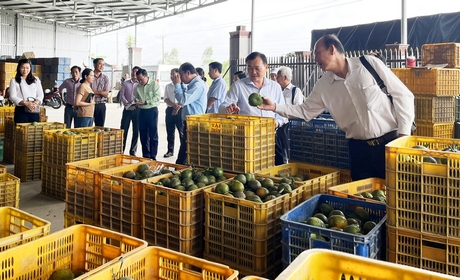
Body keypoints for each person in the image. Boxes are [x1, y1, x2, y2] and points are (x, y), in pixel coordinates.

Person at [258, 34, 415, 181]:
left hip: (391, 144)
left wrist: (403, 136)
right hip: (359, 151)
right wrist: (274, 107)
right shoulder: (323, 85)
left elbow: (403, 95)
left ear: (332, 49)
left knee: (397, 194)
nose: (315, 59)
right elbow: (305, 111)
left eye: (318, 53)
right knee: (362, 199)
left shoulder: (368, 64)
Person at [218, 52, 288, 165]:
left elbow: (282, 112)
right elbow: (222, 106)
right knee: (247, 169)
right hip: (245, 137)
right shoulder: (238, 86)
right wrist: (228, 108)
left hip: (269, 136)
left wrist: (277, 123)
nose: (253, 72)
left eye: (257, 68)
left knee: (276, 167)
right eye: (249, 68)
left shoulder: (275, 87)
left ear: (266, 67)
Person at [173, 62, 207, 165]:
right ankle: (180, 167)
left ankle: (179, 168)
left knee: (187, 148)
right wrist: (181, 85)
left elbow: (183, 99)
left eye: (181, 75)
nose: (180, 78)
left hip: (195, 123)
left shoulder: (198, 85)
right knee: (186, 147)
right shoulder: (193, 84)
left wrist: (177, 85)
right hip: (190, 121)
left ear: (188, 73)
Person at [275, 66, 305, 163]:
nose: (276, 78)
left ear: (285, 77)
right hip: (277, 123)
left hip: (288, 125)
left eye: (278, 76)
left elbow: (298, 108)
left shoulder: (295, 91)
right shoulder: (277, 90)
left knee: (286, 149)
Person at [135, 68, 161, 160]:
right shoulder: (138, 86)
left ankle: (153, 156)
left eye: (141, 79)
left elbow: (157, 98)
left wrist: (146, 101)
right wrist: (136, 101)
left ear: (147, 77)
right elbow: (136, 96)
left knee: (153, 134)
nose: (140, 82)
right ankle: (146, 155)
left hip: (152, 111)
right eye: (138, 80)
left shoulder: (154, 84)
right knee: (143, 135)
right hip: (142, 112)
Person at [8, 58, 44, 123]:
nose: (25, 70)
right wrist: (25, 103)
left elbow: (40, 94)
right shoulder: (14, 81)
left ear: (30, 68)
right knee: (21, 131)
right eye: (23, 68)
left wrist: (35, 103)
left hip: (34, 109)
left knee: (33, 131)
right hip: (21, 110)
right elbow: (12, 96)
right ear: (19, 68)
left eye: (27, 68)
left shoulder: (36, 80)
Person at [119, 66, 141, 156]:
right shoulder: (126, 83)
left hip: (137, 110)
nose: (134, 73)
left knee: (136, 131)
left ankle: (133, 151)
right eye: (133, 71)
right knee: (124, 130)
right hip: (127, 109)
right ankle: (121, 149)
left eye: (136, 72)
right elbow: (122, 94)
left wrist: (137, 104)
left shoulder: (140, 84)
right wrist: (126, 103)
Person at [163, 68, 183, 158]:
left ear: (178, 75)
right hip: (170, 109)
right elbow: (166, 98)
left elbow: (185, 99)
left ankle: (184, 151)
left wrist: (178, 106)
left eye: (174, 75)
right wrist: (173, 105)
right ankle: (170, 150)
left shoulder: (183, 86)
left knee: (181, 132)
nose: (172, 76)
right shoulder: (168, 86)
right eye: (171, 74)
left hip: (181, 110)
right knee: (170, 131)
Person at [91, 58, 110, 127]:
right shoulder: (89, 76)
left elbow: (106, 94)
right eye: (100, 64)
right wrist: (101, 93)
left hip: (101, 105)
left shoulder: (105, 78)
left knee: (100, 128)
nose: (102, 66)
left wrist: (94, 92)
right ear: (94, 65)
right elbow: (88, 92)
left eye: (103, 64)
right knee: (88, 126)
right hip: (90, 104)